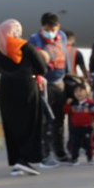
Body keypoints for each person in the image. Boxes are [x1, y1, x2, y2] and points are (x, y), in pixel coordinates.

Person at [0, 19, 47, 176]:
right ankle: (25, 160)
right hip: (27, 89)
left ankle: (17, 161)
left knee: (12, 127)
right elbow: (42, 68)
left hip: (6, 92)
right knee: (30, 124)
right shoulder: (27, 47)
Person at [28, 12, 71, 167]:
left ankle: (60, 152)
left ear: (58, 27)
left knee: (59, 120)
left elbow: (66, 57)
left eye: (54, 28)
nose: (51, 31)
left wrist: (69, 75)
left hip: (60, 83)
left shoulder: (62, 37)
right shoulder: (34, 40)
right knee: (45, 121)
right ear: (42, 27)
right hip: (44, 84)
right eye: (48, 28)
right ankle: (45, 154)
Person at [63, 83, 94, 165]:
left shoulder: (90, 103)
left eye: (80, 91)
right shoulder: (73, 103)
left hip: (87, 127)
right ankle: (74, 158)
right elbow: (66, 111)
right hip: (75, 127)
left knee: (88, 144)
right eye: (76, 92)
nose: (78, 93)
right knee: (74, 143)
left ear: (86, 92)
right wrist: (67, 104)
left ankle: (90, 158)